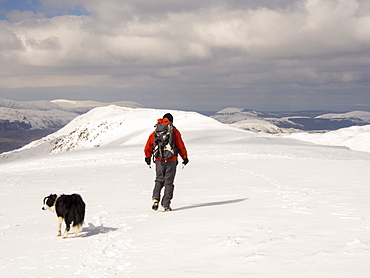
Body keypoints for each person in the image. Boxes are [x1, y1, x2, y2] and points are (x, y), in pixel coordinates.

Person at [144, 113, 188, 211]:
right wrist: (184, 157)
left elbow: (149, 145)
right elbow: (180, 145)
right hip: (171, 160)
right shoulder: (174, 131)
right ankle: (166, 204)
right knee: (169, 182)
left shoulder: (156, 131)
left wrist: (148, 156)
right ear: (171, 121)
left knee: (159, 179)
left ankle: (155, 198)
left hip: (159, 160)